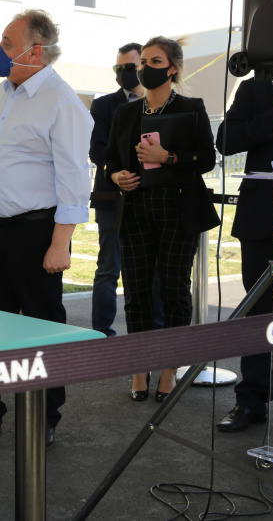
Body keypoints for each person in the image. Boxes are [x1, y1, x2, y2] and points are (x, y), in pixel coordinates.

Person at [0, 9, 92, 448]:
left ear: (35, 51)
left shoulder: (61, 101)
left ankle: (44, 414)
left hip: (37, 235)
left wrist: (61, 243)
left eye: (7, 42)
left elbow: (75, 178)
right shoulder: (3, 92)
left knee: (41, 327)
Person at [104, 36, 219, 402]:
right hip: (135, 209)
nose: (146, 69)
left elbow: (206, 159)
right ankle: (140, 369)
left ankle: (169, 369)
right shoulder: (126, 113)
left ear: (172, 68)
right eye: (144, 63)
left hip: (178, 210)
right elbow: (110, 160)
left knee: (173, 291)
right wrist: (115, 176)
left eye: (155, 62)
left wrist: (168, 156)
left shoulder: (191, 108)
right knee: (136, 293)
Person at [214, 74, 273, 431]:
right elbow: (226, 140)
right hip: (263, 219)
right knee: (259, 313)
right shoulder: (257, 87)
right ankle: (251, 402)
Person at [89, 44, 166, 337]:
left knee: (153, 272)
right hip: (112, 197)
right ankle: (101, 333)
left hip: (152, 198)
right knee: (108, 268)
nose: (124, 74)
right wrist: (116, 173)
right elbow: (97, 149)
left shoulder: (158, 102)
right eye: (118, 69)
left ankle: (152, 333)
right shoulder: (103, 105)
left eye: (130, 68)